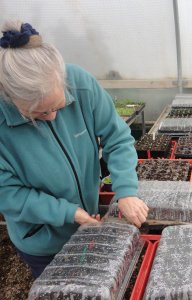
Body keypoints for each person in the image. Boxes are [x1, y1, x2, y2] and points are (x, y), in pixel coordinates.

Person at [0, 20, 149, 278]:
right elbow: (9, 194)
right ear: (10, 97)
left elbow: (117, 136)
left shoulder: (80, 83)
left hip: (89, 215)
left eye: (58, 105)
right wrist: (68, 213)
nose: (53, 117)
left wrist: (125, 190)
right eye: (39, 112)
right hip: (42, 239)